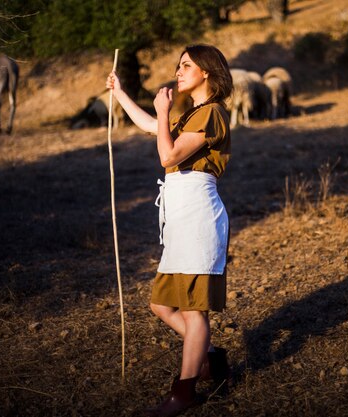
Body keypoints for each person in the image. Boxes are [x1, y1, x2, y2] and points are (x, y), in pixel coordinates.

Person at [106, 44, 233, 417]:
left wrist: (163, 112)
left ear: (206, 71)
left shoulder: (211, 114)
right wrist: (121, 93)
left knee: (195, 314)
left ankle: (184, 392)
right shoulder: (191, 114)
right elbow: (151, 127)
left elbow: (168, 156)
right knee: (161, 304)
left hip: (198, 218)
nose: (178, 72)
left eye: (186, 66)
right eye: (178, 66)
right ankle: (208, 356)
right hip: (181, 220)